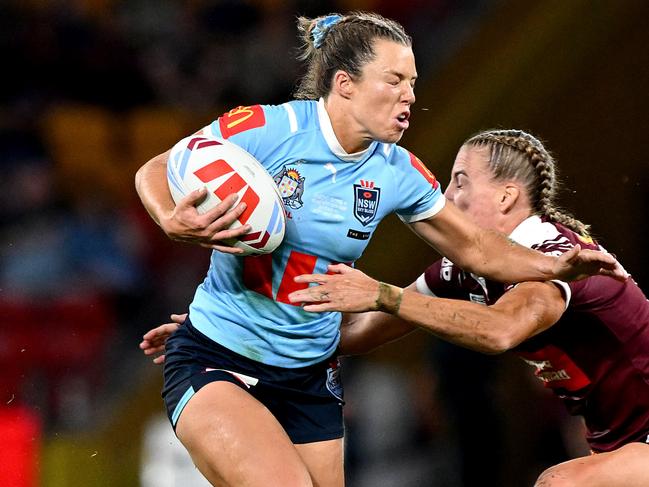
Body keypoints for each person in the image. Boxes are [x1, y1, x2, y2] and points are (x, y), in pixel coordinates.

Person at [135, 10, 625, 486]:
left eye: (412, 82)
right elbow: (158, 167)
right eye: (394, 81)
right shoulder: (268, 128)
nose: (410, 95)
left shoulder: (398, 171)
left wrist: (554, 264)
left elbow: (475, 246)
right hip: (220, 355)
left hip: (309, 375)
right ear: (345, 84)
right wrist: (170, 220)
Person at [282, 129, 649, 487]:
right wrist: (269, 330)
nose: (446, 196)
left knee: (559, 482)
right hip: (618, 440)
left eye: (460, 182)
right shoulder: (463, 271)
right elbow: (361, 333)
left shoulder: (546, 255)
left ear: (506, 197)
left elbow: (500, 330)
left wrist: (383, 294)